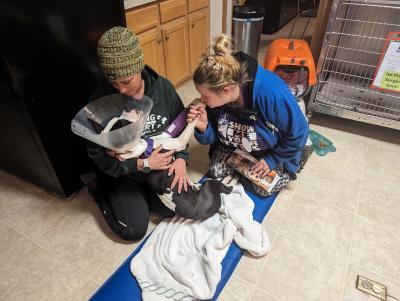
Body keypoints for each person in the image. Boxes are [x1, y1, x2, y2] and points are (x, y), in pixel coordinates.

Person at [87, 27, 190, 241]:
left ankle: (143, 194)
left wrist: (181, 159)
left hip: (155, 164)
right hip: (123, 172)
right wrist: (140, 165)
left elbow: (180, 125)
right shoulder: (99, 103)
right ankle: (100, 189)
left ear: (139, 68)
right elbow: (96, 153)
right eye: (113, 83)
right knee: (133, 231)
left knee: (173, 211)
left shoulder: (163, 88)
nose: (121, 89)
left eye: (126, 81)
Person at [187, 34, 309, 196]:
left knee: (263, 190)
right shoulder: (218, 97)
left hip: (268, 151)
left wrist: (271, 160)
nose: (201, 100)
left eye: (206, 96)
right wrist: (204, 128)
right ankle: (245, 168)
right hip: (237, 145)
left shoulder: (272, 93)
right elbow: (213, 137)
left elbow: (300, 132)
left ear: (226, 90)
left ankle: (299, 156)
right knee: (216, 172)